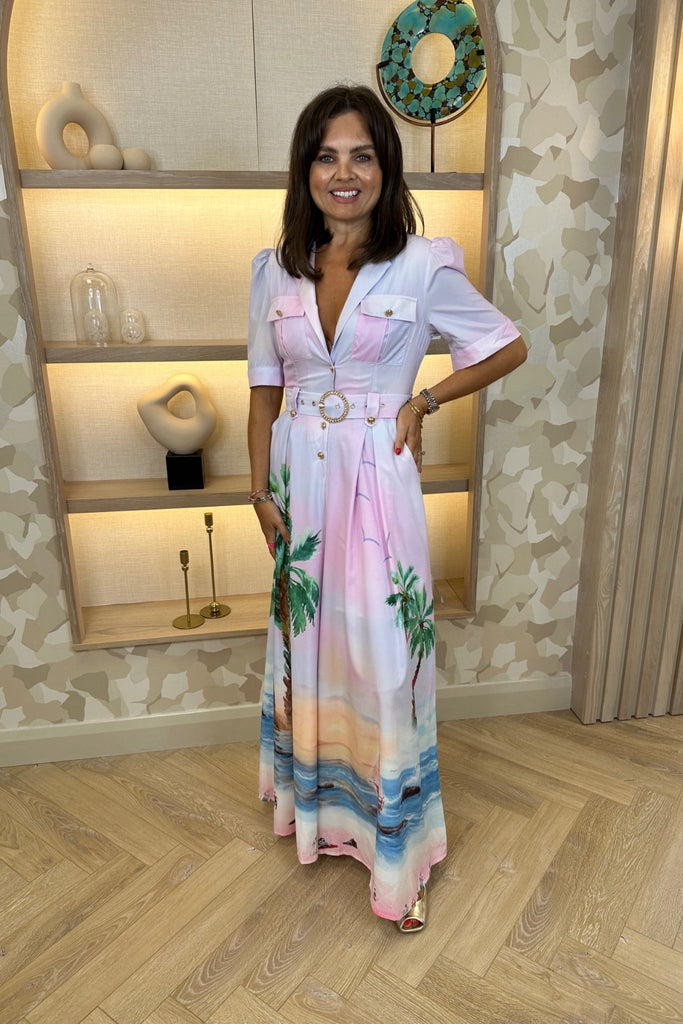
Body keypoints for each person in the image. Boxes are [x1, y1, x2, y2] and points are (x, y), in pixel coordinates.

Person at [247, 85, 526, 932]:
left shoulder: (423, 264)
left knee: (383, 650)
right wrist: (256, 490)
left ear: (385, 167)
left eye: (361, 156)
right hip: (298, 484)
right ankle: (321, 813)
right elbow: (262, 391)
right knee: (310, 641)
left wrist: (424, 399)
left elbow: (505, 343)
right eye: (326, 156)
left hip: (377, 481)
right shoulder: (273, 270)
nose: (344, 173)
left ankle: (397, 845)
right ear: (305, 170)